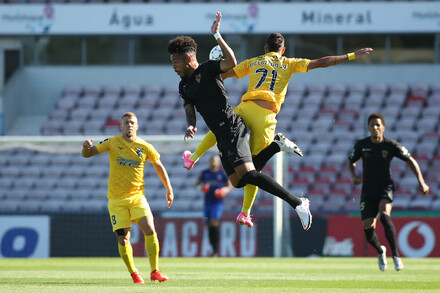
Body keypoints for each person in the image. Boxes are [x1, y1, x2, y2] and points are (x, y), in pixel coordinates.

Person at [182, 32, 373, 223]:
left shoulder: (254, 61)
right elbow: (322, 61)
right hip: (266, 117)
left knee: (221, 125)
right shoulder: (289, 63)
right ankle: (245, 211)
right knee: (253, 169)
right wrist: (352, 55)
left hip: (246, 108)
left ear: (265, 49)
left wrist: (206, 71)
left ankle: (194, 158)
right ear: (283, 50)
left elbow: (224, 74)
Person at [168, 11, 312, 231]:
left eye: (175, 61)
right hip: (220, 135)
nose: (173, 66)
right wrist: (191, 124)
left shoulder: (208, 69)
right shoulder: (184, 86)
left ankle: (297, 203)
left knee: (248, 173)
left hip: (233, 127)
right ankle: (276, 146)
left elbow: (231, 62)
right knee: (238, 182)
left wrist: (217, 35)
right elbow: (189, 106)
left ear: (188, 59)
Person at [82, 112, 173, 283]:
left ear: (137, 126)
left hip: (137, 197)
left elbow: (159, 166)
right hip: (117, 201)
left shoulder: (145, 147)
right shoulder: (112, 142)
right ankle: (134, 273)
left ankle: (155, 271)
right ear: (121, 126)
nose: (129, 125)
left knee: (150, 230)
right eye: (126, 122)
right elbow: (87, 154)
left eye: (132, 122)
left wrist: (169, 189)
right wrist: (85, 148)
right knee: (123, 239)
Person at [348, 112, 429, 271]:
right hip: (368, 191)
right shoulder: (361, 145)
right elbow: (351, 161)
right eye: (372, 125)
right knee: (368, 229)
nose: (375, 128)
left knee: (384, 215)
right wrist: (353, 176)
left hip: (385, 187)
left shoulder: (390, 145)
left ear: (383, 127)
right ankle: (380, 250)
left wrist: (422, 182)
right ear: (369, 128)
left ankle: (396, 257)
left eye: (378, 125)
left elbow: (410, 160)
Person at [195, 155, 232, 256]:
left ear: (218, 162)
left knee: (214, 223)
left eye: (215, 160)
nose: (213, 162)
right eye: (212, 160)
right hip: (207, 203)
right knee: (209, 225)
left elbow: (230, 185)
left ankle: (215, 250)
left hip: (217, 203)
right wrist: (202, 188)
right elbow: (196, 185)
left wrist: (224, 190)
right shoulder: (205, 173)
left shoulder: (221, 173)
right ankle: (213, 250)